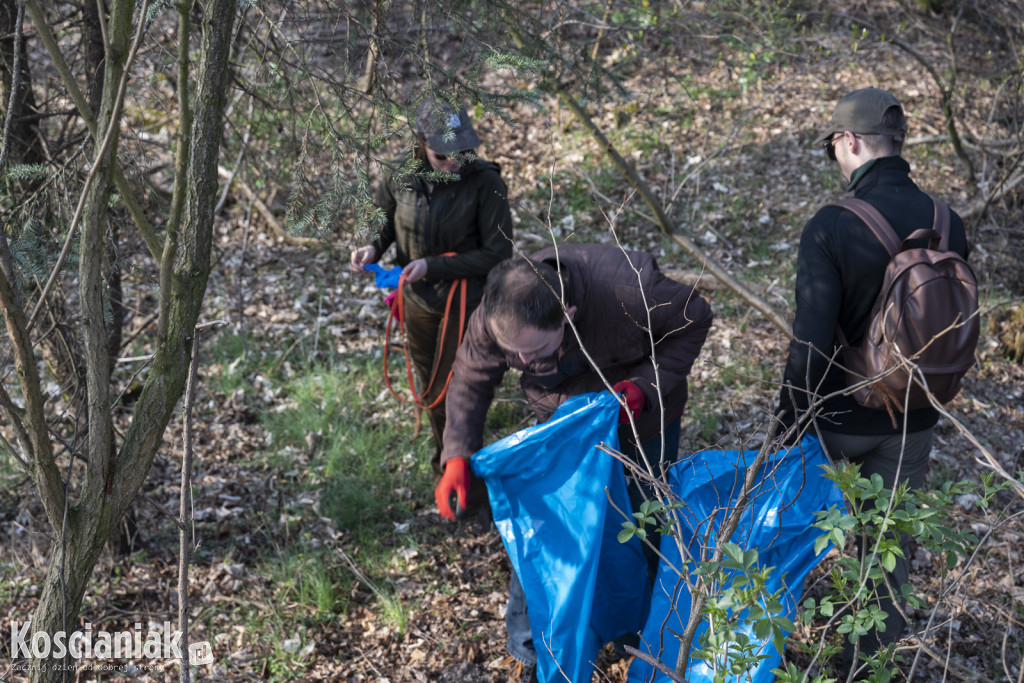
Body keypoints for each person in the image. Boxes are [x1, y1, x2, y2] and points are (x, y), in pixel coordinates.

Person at [433, 244, 714, 675]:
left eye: (535, 352)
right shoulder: (498, 311)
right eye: (516, 354)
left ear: (568, 313)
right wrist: (456, 455)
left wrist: (643, 388)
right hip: (562, 426)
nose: (524, 362)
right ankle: (539, 649)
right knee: (553, 525)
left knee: (641, 521)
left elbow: (695, 319)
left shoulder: (626, 289)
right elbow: (471, 377)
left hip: (643, 421)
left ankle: (639, 635)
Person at [775, 87, 970, 677]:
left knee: (789, 537)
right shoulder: (948, 221)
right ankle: (870, 665)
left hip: (839, 419)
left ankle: (771, 651)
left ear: (850, 141)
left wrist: (786, 426)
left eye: (834, 146)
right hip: (916, 415)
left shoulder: (832, 225)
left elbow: (808, 344)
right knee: (887, 550)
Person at [350, 98, 514, 473]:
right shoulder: (398, 175)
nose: (453, 162)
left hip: (467, 303)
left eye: (461, 152)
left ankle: (464, 479)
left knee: (457, 391)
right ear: (421, 143)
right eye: (443, 156)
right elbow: (387, 223)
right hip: (417, 302)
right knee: (429, 388)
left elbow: (499, 253)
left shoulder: (486, 182)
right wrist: (372, 249)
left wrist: (432, 266)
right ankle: (446, 461)